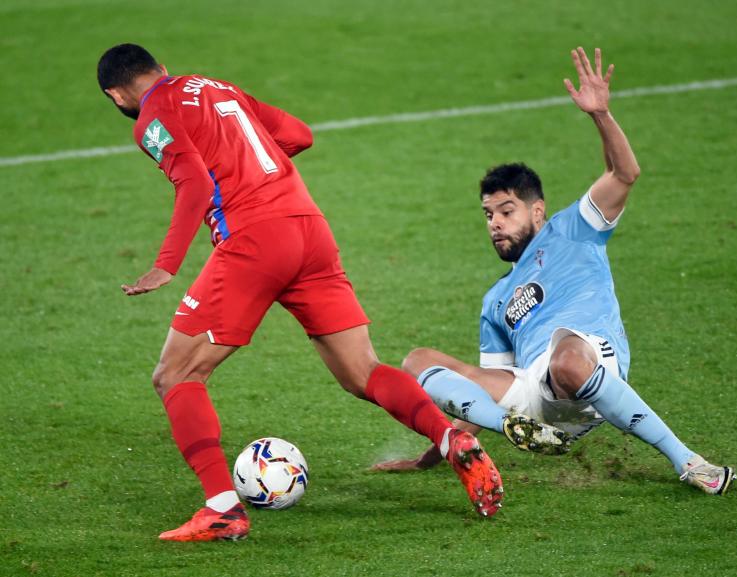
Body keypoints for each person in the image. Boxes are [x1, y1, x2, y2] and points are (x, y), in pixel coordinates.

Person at [96, 44, 505, 541]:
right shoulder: (217, 86)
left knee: (176, 373)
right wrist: (253, 165)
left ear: (117, 95)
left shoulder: (152, 118)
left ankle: (222, 508)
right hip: (310, 229)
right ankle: (450, 436)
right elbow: (297, 135)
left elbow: (195, 185)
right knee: (363, 371)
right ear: (161, 68)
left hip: (254, 240)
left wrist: (165, 265)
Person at [374, 47, 736, 496]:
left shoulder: (574, 228)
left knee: (564, 350)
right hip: (534, 398)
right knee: (417, 361)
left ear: (537, 211)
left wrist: (601, 114)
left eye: (506, 211)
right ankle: (514, 431)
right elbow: (483, 391)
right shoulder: (496, 300)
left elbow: (624, 173)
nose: (495, 224)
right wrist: (434, 452)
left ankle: (692, 463)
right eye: (488, 215)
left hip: (587, 368)